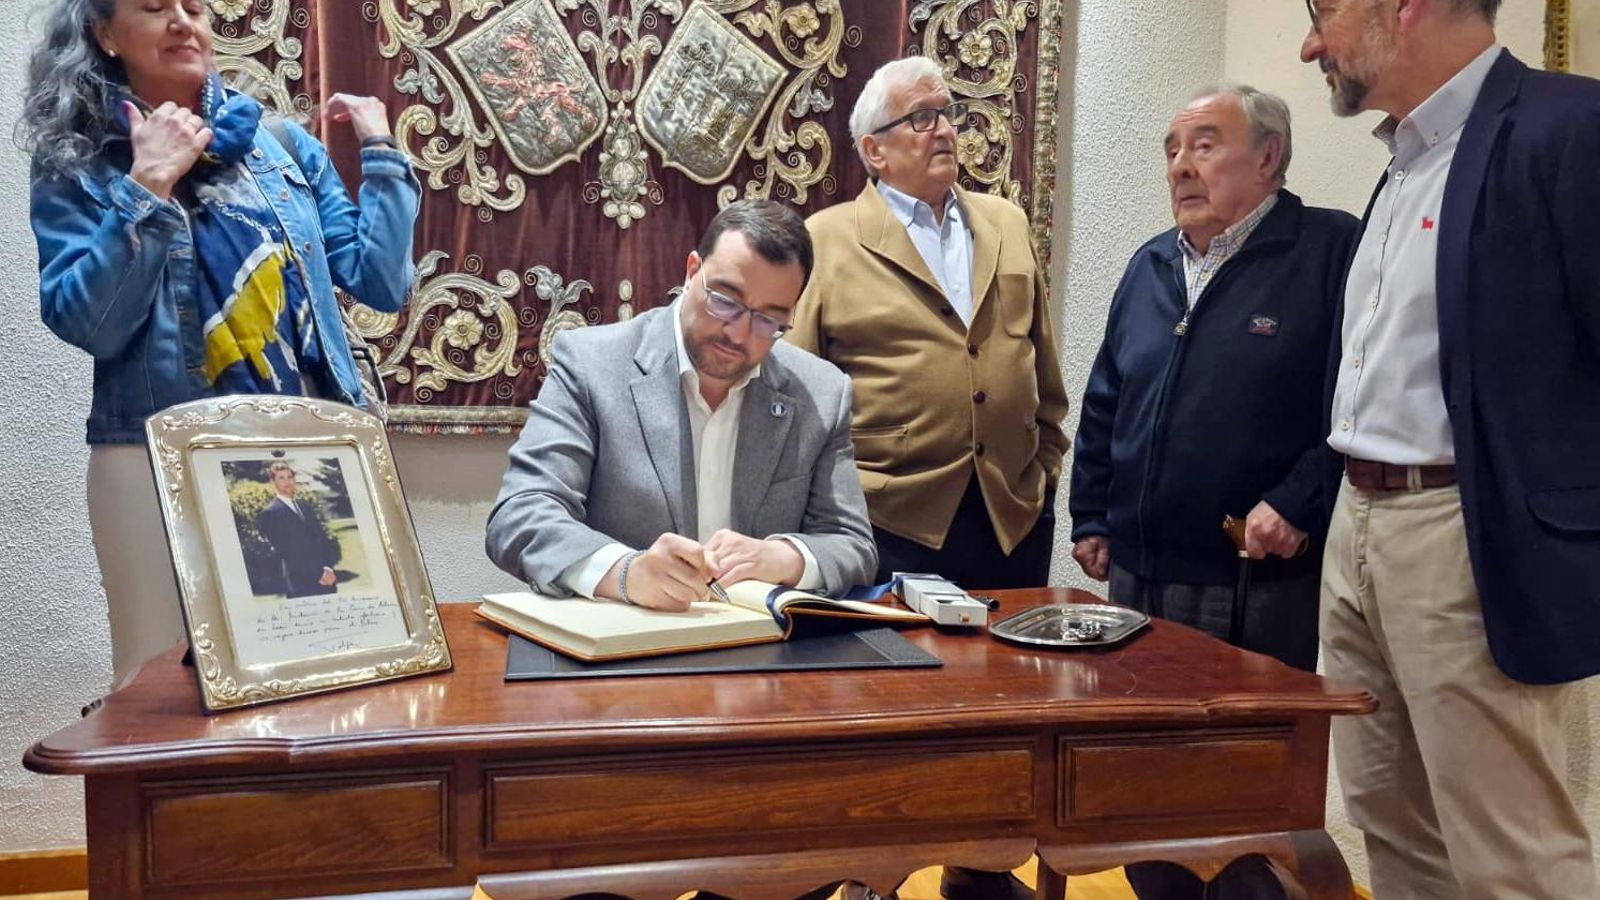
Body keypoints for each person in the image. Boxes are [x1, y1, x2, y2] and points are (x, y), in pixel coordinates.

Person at [23, 0, 419, 683]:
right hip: (157, 455)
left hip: (310, 447)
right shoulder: (80, 160)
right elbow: (87, 322)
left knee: (323, 671)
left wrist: (381, 154)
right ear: (104, 33)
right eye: (154, 7)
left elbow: (381, 283)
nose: (183, 21)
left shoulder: (284, 147)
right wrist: (149, 183)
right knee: (158, 689)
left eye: (195, 7)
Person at [1300, 0, 1600, 897]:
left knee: (1513, 856)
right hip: (1356, 527)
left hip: (1469, 537)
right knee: (1390, 828)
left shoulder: (1569, 129)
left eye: (1324, 11)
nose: (1313, 42)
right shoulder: (1402, 165)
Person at [1068, 85, 1358, 900]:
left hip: (1255, 580)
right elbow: (1106, 395)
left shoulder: (1329, 251)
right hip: (1142, 579)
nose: (1180, 165)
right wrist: (1092, 511)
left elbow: (1355, 405)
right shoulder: (1153, 262)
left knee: (1243, 794)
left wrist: (1302, 503)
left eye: (1203, 143)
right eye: (1170, 148)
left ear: (1268, 157)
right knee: (1140, 783)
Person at [486, 199, 877, 613]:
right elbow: (521, 514)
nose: (739, 333)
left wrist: (785, 557)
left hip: (759, 653)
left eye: (768, 319)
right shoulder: (592, 364)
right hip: (622, 651)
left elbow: (851, 542)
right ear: (692, 271)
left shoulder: (820, 391)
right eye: (725, 300)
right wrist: (625, 572)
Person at [788, 56, 1070, 603]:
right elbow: (797, 393)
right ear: (875, 150)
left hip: (1011, 516)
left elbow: (1044, 367)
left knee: (1011, 681)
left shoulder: (1006, 224)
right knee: (900, 681)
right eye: (921, 118)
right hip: (889, 519)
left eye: (948, 114)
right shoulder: (826, 239)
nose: (943, 130)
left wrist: (1046, 470)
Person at [255, 462, 340, 599]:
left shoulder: (305, 506)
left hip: (326, 581)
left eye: (289, 477)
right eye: (281, 478)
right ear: (273, 482)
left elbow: (322, 539)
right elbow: (287, 552)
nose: (287, 481)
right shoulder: (271, 513)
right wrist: (318, 574)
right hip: (301, 583)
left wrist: (328, 568)